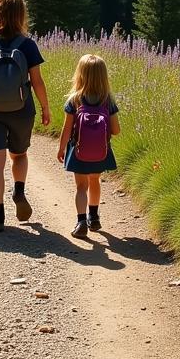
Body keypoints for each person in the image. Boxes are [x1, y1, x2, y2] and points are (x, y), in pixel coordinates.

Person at [0, 0, 50, 232]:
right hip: (22, 109)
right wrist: (45, 108)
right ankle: (19, 190)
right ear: (21, 15)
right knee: (20, 154)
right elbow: (37, 81)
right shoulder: (27, 45)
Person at [57, 54, 120, 239]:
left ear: (80, 74)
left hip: (78, 151)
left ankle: (81, 221)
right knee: (95, 181)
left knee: (81, 187)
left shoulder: (74, 100)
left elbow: (67, 129)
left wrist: (61, 148)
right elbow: (116, 130)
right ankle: (94, 216)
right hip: (101, 152)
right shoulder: (108, 101)